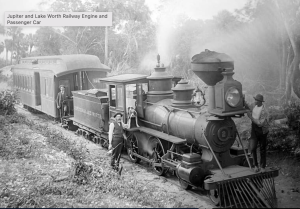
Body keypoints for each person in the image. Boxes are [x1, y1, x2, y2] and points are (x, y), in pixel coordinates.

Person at [244, 94, 269, 173]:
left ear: (260, 102)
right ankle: (255, 165)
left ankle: (263, 167)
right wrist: (242, 99)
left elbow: (260, 123)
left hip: (262, 130)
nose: (255, 101)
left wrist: (250, 117)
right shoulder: (254, 105)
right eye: (255, 100)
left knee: (262, 149)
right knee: (253, 148)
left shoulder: (264, 111)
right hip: (254, 130)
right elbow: (247, 106)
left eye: (256, 100)